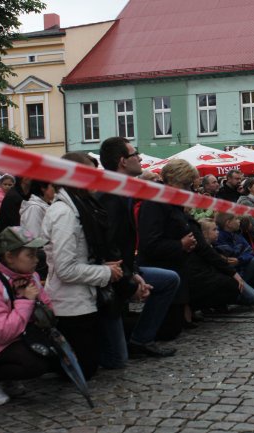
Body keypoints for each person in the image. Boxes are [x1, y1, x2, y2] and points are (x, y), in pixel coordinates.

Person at [98, 137, 180, 363]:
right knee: (116, 360)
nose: (140, 158)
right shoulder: (110, 196)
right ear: (123, 161)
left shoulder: (123, 191)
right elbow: (109, 247)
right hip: (107, 276)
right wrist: (130, 280)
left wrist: (133, 272)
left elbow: (124, 246)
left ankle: (142, 338)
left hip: (125, 268)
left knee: (169, 279)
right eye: (135, 154)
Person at [42, 153, 123, 379]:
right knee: (85, 369)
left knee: (101, 362)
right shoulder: (64, 213)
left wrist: (104, 265)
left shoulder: (80, 206)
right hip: (70, 303)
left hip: (84, 297)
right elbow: (65, 268)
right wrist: (105, 272)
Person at [139, 160, 243, 335]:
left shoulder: (172, 202)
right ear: (175, 181)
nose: (190, 191)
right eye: (187, 185)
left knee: (172, 329)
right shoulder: (155, 203)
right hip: (164, 269)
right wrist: (180, 244)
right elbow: (150, 243)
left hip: (180, 269)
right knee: (167, 330)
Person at [0, 226, 57, 406]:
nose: (36, 260)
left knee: (53, 355)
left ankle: (6, 376)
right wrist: (25, 301)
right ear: (9, 257)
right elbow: (1, 333)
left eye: (36, 254)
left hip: (18, 336)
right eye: (30, 255)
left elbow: (48, 308)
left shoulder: (31, 276)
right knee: (35, 364)